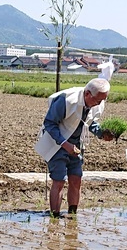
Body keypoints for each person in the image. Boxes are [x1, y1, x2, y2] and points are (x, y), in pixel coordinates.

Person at [35, 78, 114, 218]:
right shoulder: (66, 100)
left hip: (77, 146)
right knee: (59, 180)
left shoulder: (96, 103)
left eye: (103, 100)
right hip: (57, 144)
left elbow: (89, 122)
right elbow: (49, 123)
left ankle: (72, 215)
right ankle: (55, 216)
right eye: (98, 100)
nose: (100, 103)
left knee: (76, 179)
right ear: (88, 94)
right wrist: (65, 144)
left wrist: (101, 133)